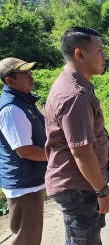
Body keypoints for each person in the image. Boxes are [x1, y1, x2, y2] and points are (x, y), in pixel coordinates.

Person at [44, 27, 109, 244]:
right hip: (80, 187)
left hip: (82, 185)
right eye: (100, 50)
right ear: (80, 54)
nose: (104, 55)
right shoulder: (74, 95)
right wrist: (102, 191)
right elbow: (82, 153)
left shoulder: (73, 84)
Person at [0, 57, 47, 245]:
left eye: (30, 71)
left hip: (30, 180)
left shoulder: (24, 102)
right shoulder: (11, 108)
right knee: (26, 239)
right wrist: (59, 156)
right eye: (25, 73)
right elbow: (25, 150)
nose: (30, 76)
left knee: (30, 237)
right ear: (10, 80)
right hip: (24, 185)